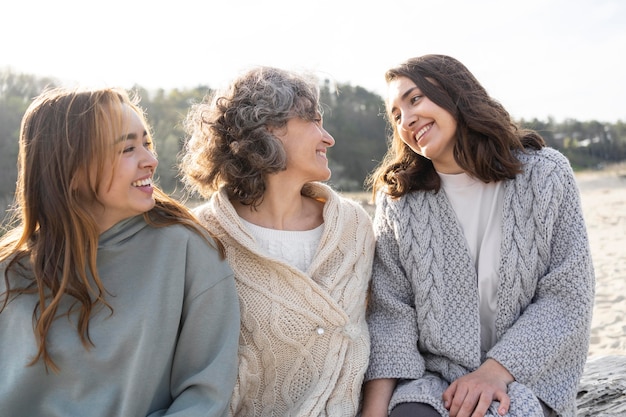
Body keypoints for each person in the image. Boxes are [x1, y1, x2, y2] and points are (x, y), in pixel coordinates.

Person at [360, 54, 595, 417]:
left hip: (529, 375)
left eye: (415, 99)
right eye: (395, 115)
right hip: (438, 381)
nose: (406, 120)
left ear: (454, 91)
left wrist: (494, 372)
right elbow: (392, 315)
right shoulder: (401, 203)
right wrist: (373, 414)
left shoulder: (546, 175)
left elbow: (568, 295)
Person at [0, 87, 240, 417]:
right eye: (128, 148)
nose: (151, 161)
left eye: (147, 143)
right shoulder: (9, 273)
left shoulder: (187, 252)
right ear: (71, 171)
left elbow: (204, 397)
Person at [179, 66, 375, 416]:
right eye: (313, 120)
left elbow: (380, 329)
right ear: (269, 128)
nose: (328, 137)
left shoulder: (354, 228)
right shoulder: (205, 235)